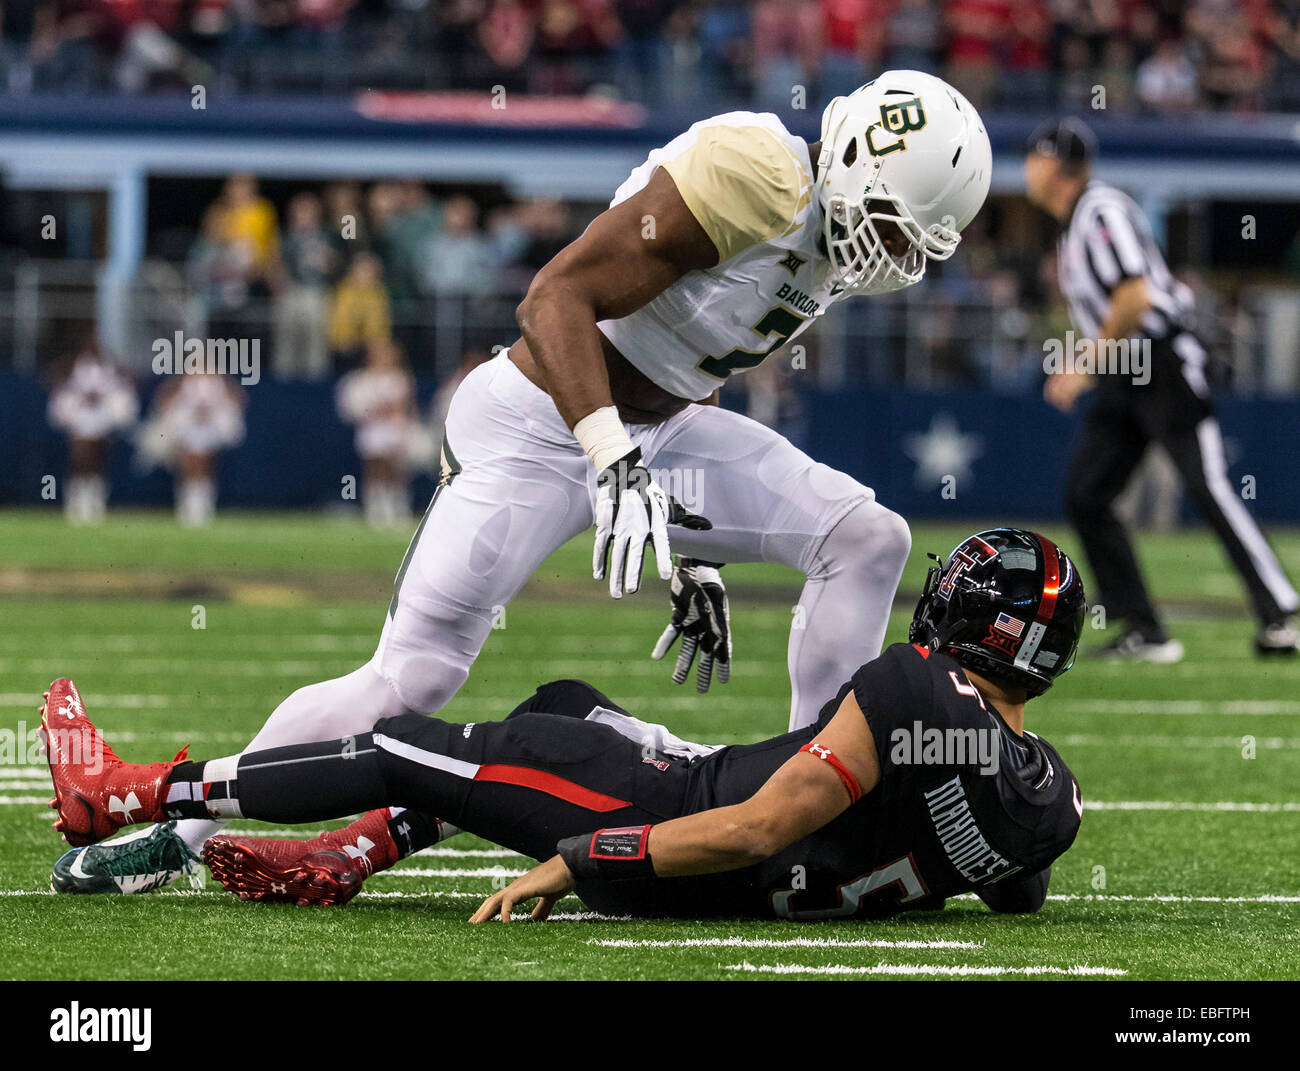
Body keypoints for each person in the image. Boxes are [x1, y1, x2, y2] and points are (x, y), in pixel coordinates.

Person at [51, 70, 993, 893]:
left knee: (868, 538)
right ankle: (178, 833)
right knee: (408, 679)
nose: (895, 257)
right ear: (858, 156)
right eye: (889, 225)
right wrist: (609, 455)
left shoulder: (829, 234)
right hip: (539, 423)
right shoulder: (756, 173)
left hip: (654, 432)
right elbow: (555, 297)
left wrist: (689, 548)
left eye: (913, 244)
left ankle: (802, 803)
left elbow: (692, 352)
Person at [45, 529, 1086, 922]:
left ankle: (127, 794)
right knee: (562, 702)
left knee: (404, 740)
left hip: (673, 822)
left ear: (960, 619)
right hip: (715, 832)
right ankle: (355, 851)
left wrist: (585, 859)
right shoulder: (1045, 799)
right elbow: (1013, 889)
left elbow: (757, 829)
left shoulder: (912, 688)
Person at [1026, 117, 1298, 660]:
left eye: (1035, 158)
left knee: (1208, 486)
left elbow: (1135, 296)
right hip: (1126, 369)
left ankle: (1284, 611)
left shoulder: (1100, 208)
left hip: (1159, 362)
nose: (1029, 169)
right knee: (1087, 494)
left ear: (1055, 164)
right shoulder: (1076, 222)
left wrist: (1083, 363)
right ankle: (1145, 629)